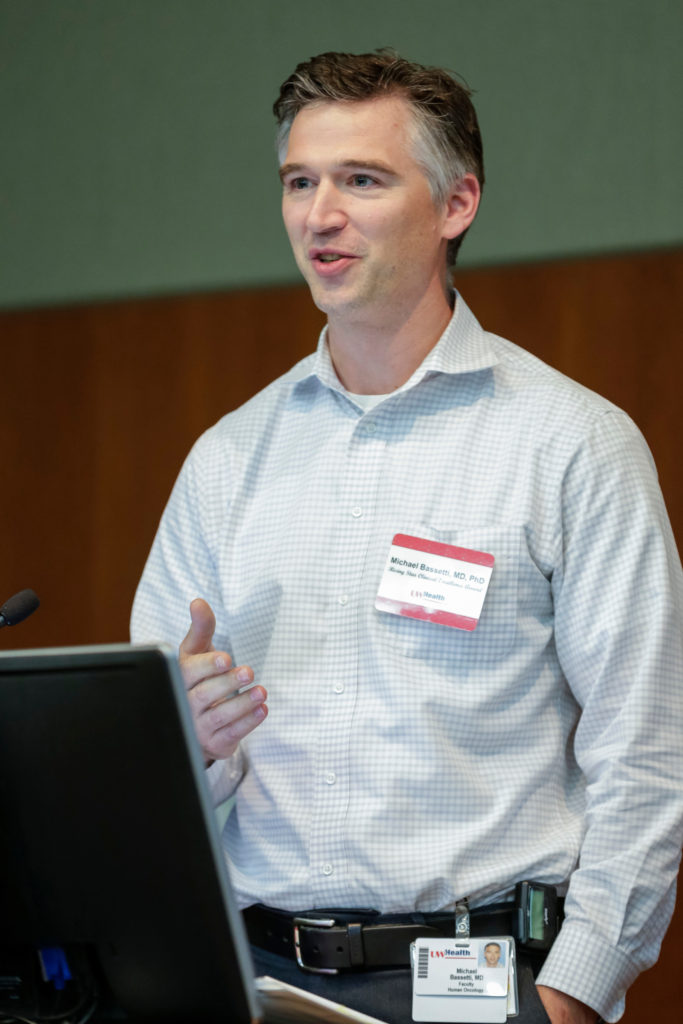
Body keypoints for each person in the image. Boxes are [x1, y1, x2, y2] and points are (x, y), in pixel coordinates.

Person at [131, 49, 683, 1024]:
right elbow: (149, 769)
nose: (318, 214)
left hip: (479, 984)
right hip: (254, 975)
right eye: (299, 181)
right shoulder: (226, 460)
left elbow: (647, 750)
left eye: (361, 179)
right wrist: (192, 745)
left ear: (455, 202)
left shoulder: (571, 445)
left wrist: (573, 996)